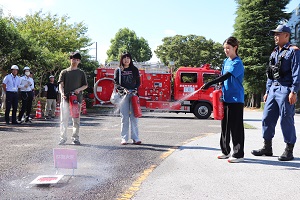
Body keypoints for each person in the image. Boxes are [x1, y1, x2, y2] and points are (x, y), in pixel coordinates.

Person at [251, 25, 300, 161]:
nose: (275, 36)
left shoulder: (293, 51)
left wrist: (294, 91)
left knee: (286, 118)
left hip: (286, 88)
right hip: (273, 88)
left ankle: (289, 150)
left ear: (287, 36)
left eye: (278, 34)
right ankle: (267, 147)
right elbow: (270, 73)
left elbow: (297, 72)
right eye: (274, 34)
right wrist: (267, 90)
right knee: (267, 117)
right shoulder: (274, 52)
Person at [200, 36, 245, 163]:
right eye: (224, 48)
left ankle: (238, 154)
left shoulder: (237, 62)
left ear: (235, 48)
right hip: (225, 97)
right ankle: (225, 151)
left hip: (236, 99)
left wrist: (209, 83)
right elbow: (222, 77)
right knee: (224, 126)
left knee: (236, 127)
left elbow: (226, 76)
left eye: (228, 48)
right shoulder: (226, 61)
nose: (226, 50)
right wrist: (218, 86)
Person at [58, 52, 88, 145]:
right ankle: (62, 138)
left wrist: (79, 89)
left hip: (76, 100)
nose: (75, 61)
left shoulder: (81, 73)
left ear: (79, 61)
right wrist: (62, 93)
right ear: (70, 59)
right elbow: (60, 85)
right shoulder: (64, 72)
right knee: (64, 119)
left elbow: (85, 85)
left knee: (76, 120)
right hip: (66, 99)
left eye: (77, 59)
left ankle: (75, 138)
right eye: (73, 59)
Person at [114, 52, 141, 145]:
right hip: (123, 96)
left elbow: (138, 82)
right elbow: (116, 83)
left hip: (133, 95)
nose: (126, 60)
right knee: (124, 117)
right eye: (124, 58)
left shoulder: (134, 69)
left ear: (130, 59)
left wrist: (134, 89)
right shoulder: (118, 70)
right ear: (121, 59)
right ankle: (124, 138)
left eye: (128, 58)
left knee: (134, 117)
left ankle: (136, 138)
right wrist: (123, 90)